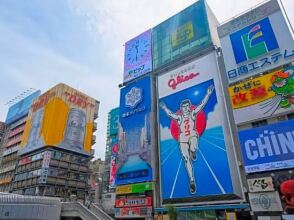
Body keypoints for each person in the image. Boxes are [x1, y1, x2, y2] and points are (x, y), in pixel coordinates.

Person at [160, 85, 214, 194]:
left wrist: (208, 94)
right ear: (181, 108)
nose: (186, 108)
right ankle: (192, 180)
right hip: (183, 139)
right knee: (186, 159)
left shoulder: (193, 114)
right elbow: (170, 114)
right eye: (184, 106)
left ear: (189, 107)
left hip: (193, 135)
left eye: (187, 106)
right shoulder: (179, 118)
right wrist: (164, 107)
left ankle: (194, 152)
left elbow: (202, 105)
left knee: (193, 147)